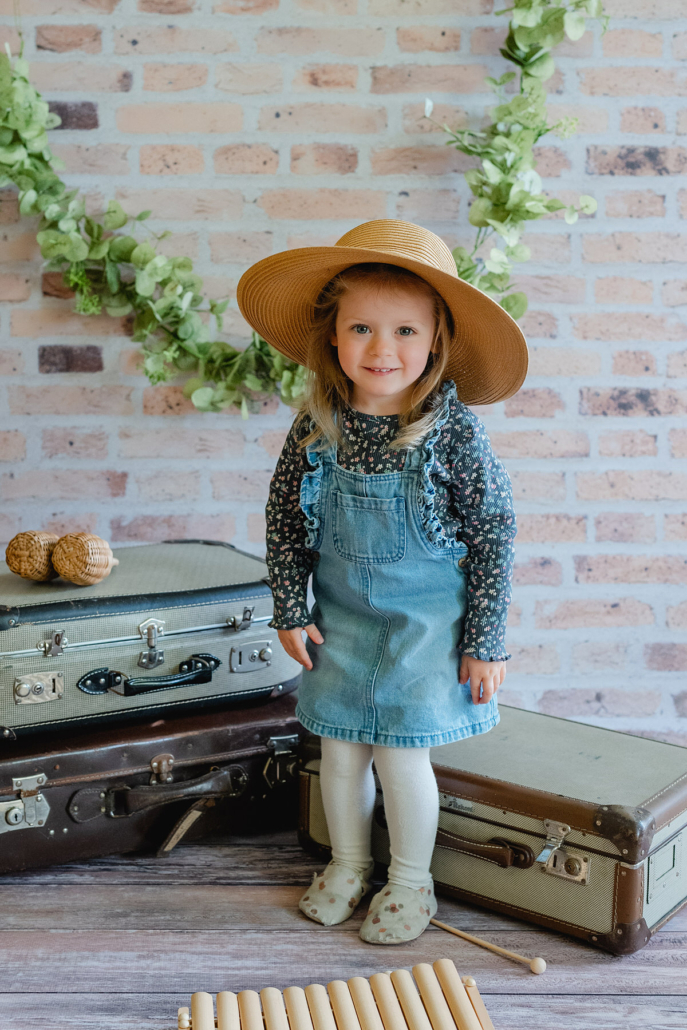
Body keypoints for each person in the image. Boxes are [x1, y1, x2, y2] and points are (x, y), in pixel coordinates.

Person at [236, 219, 527, 945]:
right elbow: (283, 520)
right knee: (338, 749)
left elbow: (494, 529)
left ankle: (409, 881)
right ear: (331, 335)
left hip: (426, 627)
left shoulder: (449, 429)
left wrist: (485, 641)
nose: (380, 348)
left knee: (401, 755)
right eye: (360, 327)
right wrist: (288, 607)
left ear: (435, 342)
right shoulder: (317, 423)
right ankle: (347, 863)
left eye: (403, 331)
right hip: (340, 619)